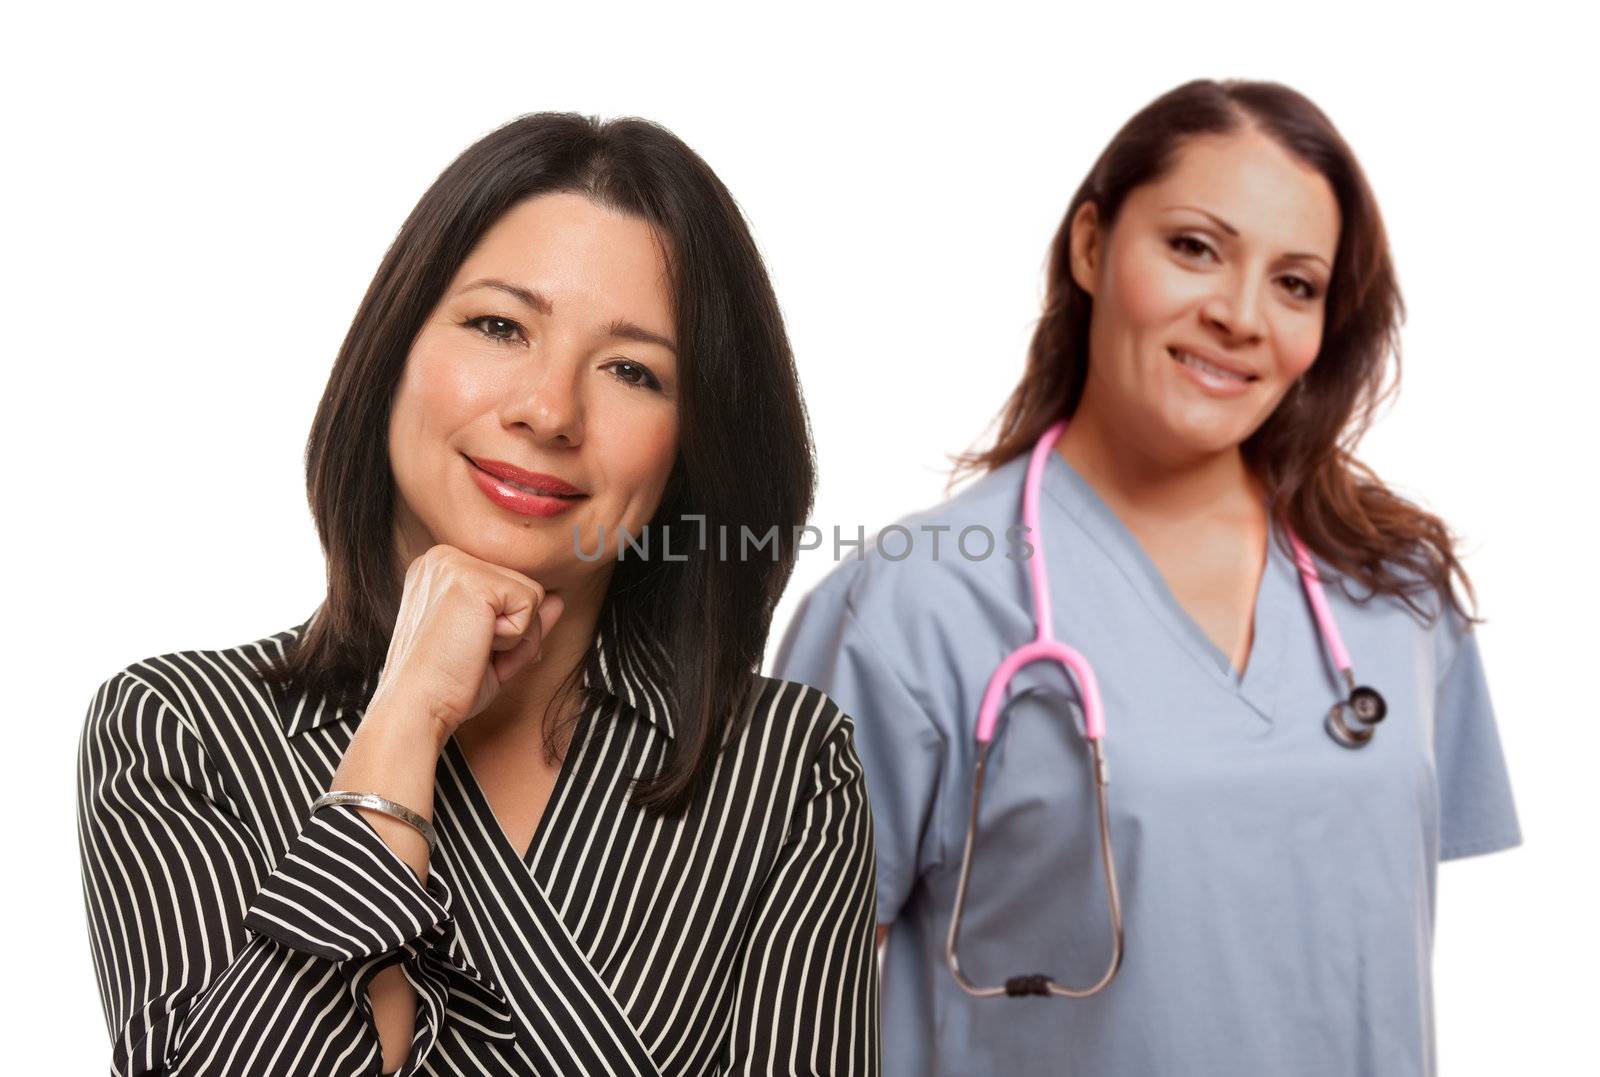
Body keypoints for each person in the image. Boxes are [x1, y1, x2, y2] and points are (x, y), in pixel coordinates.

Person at [78, 112, 880, 1077]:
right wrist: (407, 716)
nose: (548, 410)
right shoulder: (179, 729)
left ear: (691, 448)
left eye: (633, 370)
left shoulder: (784, 769)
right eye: (500, 326)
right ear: (396, 352)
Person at [772, 78, 1520, 1077]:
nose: (1240, 316)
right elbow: (773, 997)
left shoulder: (1396, 593)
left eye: (1295, 284)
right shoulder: (908, 608)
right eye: (1194, 249)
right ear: (1091, 246)